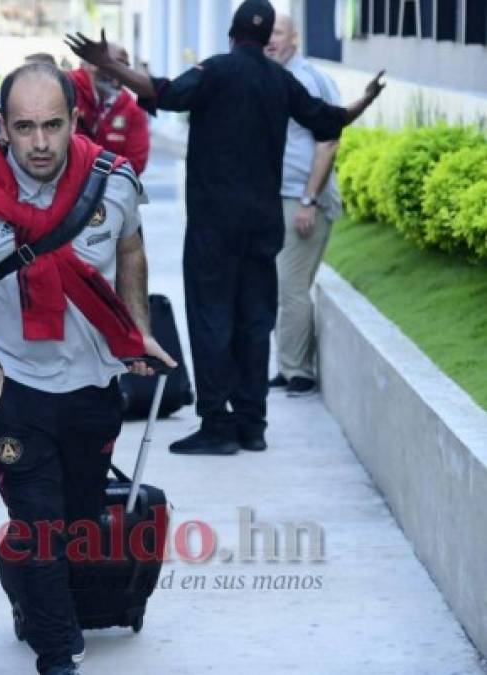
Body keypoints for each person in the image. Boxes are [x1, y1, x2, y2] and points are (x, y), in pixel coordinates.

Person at [0, 62, 174, 675]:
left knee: (79, 522)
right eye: (25, 127)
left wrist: (136, 330)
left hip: (92, 388)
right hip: (18, 393)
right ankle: (56, 652)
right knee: (38, 527)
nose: (40, 143)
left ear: (75, 121)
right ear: (2, 128)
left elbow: (131, 247)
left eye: (54, 126)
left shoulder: (113, 183)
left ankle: (29, 592)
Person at [67, 0, 385, 454]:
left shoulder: (215, 71)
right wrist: (366, 99)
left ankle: (217, 426)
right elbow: (330, 120)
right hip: (262, 224)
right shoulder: (281, 79)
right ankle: (253, 426)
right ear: (265, 35)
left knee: (211, 319)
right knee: (254, 322)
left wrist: (110, 66)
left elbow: (163, 92)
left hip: (214, 226)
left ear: (232, 35)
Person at [265, 13, 342, 396]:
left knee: (291, 284)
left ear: (295, 37)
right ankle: (288, 364)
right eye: (266, 33)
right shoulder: (275, 78)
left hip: (303, 198)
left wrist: (310, 200)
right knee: (281, 284)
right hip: (281, 196)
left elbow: (328, 141)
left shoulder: (309, 80)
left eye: (277, 33)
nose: (269, 40)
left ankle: (300, 372)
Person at [69, 43, 150, 175]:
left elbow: (135, 164)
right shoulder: (67, 90)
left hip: (111, 188)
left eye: (125, 68)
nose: (121, 74)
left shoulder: (133, 109)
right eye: (113, 65)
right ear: (92, 64)